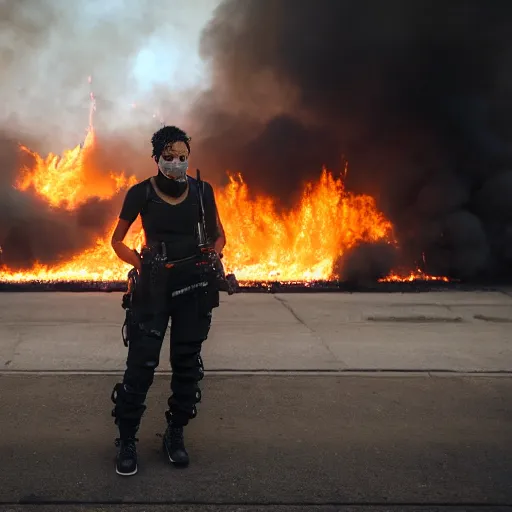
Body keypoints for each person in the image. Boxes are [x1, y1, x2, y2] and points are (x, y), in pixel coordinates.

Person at [109, 125, 226, 476]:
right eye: (169, 157)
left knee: (187, 365)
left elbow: (220, 236)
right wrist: (141, 263)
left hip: (194, 286)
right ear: (157, 157)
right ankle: (126, 439)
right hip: (154, 288)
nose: (176, 163)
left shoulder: (203, 191)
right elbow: (117, 240)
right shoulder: (140, 193)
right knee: (141, 365)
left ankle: (175, 434)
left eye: (182, 157)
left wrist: (212, 257)